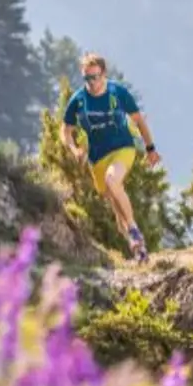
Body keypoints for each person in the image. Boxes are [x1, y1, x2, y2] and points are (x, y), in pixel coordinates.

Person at [59, 52, 160, 260]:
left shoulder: (118, 92)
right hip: (97, 159)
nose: (92, 82)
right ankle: (138, 248)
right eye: (87, 78)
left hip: (123, 148)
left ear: (104, 74)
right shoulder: (79, 100)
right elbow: (65, 130)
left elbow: (139, 121)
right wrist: (74, 148)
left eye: (95, 77)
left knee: (112, 179)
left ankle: (134, 229)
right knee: (117, 208)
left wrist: (150, 149)